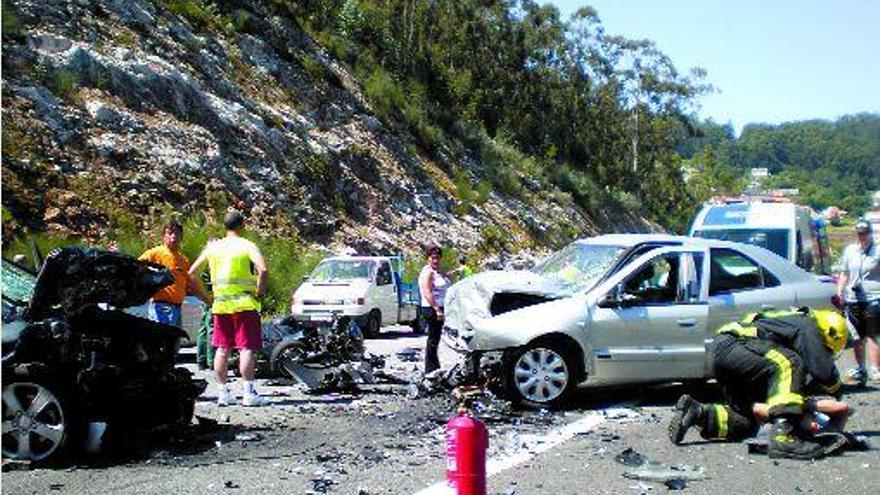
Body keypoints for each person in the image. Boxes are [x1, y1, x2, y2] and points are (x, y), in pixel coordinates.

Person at [668, 308, 848, 460]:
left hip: (726, 353)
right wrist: (836, 392)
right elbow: (823, 371)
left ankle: (699, 413)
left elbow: (774, 400)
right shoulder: (808, 325)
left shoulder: (786, 322)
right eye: (826, 350)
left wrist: (804, 408)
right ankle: (784, 437)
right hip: (736, 345)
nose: (825, 354)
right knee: (790, 364)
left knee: (748, 417)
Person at [189, 211, 269, 407]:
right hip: (245, 303)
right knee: (246, 348)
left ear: (224, 227)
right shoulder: (247, 245)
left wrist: (205, 297)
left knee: (222, 349)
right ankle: (249, 393)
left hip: (221, 304)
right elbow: (263, 269)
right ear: (242, 226)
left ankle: (223, 393)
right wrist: (259, 291)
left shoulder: (214, 248)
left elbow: (191, 273)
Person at [139, 220, 210, 327]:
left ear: (181, 237)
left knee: (174, 342)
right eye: (170, 233)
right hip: (161, 307)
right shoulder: (154, 253)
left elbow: (192, 286)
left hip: (177, 308)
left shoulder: (183, 260)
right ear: (163, 236)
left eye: (177, 233)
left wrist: (208, 301)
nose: (173, 236)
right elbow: (136, 268)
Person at [836, 218, 880, 386]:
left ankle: (876, 370)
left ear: (870, 233)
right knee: (856, 335)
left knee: (872, 333)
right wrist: (840, 291)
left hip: (873, 296)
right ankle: (861, 369)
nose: (863, 236)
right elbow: (845, 273)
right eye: (860, 233)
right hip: (853, 298)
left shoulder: (877, 250)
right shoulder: (850, 250)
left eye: (865, 233)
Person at [418, 245, 451, 374]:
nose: (435, 260)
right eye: (433, 258)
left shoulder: (438, 272)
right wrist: (437, 309)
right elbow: (427, 292)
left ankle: (435, 367)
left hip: (440, 307)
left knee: (436, 338)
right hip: (431, 308)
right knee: (433, 338)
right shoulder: (428, 272)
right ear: (428, 258)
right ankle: (430, 369)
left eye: (438, 258)